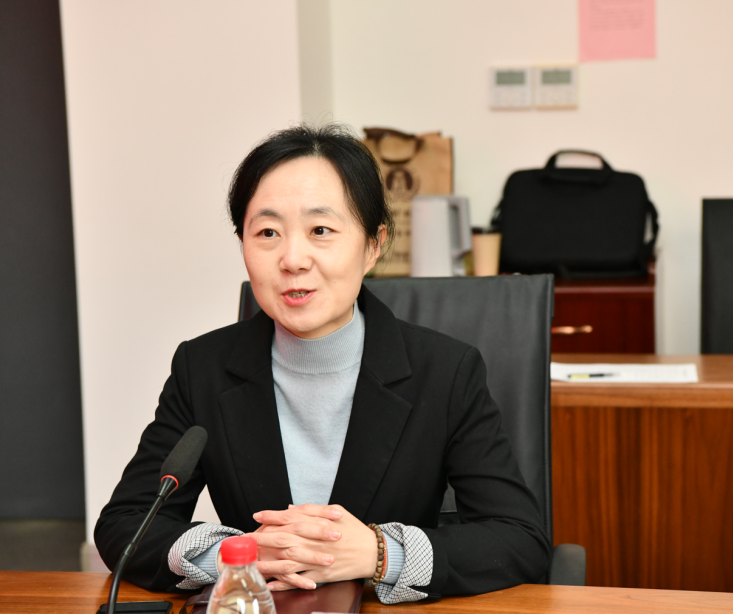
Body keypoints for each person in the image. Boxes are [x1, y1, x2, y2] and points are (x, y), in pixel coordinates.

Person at [95, 124, 550, 604]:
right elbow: (126, 524)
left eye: (320, 231)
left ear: (373, 244)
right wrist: (239, 555)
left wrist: (379, 554)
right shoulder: (202, 368)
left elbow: (519, 538)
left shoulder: (445, 371)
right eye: (267, 233)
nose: (293, 259)